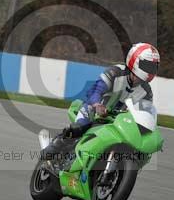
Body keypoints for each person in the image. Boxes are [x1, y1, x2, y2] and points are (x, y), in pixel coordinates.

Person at [42, 43, 160, 172]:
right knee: (79, 128)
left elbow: (144, 113)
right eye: (147, 66)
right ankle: (52, 150)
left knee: (137, 149)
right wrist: (97, 104)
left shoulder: (146, 91)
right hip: (95, 111)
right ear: (134, 61)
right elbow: (96, 90)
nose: (149, 71)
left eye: (153, 67)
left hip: (118, 122)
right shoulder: (116, 72)